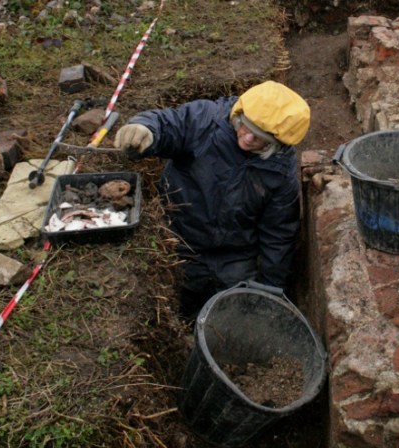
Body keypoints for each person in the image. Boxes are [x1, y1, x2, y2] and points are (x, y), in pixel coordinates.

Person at [114, 80, 310, 319]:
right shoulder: (206, 120)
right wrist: (145, 128)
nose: (247, 139)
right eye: (245, 127)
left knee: (237, 317)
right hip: (180, 241)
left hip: (236, 255)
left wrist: (271, 290)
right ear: (238, 114)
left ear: (277, 143)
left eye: (259, 138)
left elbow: (278, 232)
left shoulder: (279, 168)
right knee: (179, 306)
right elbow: (169, 124)